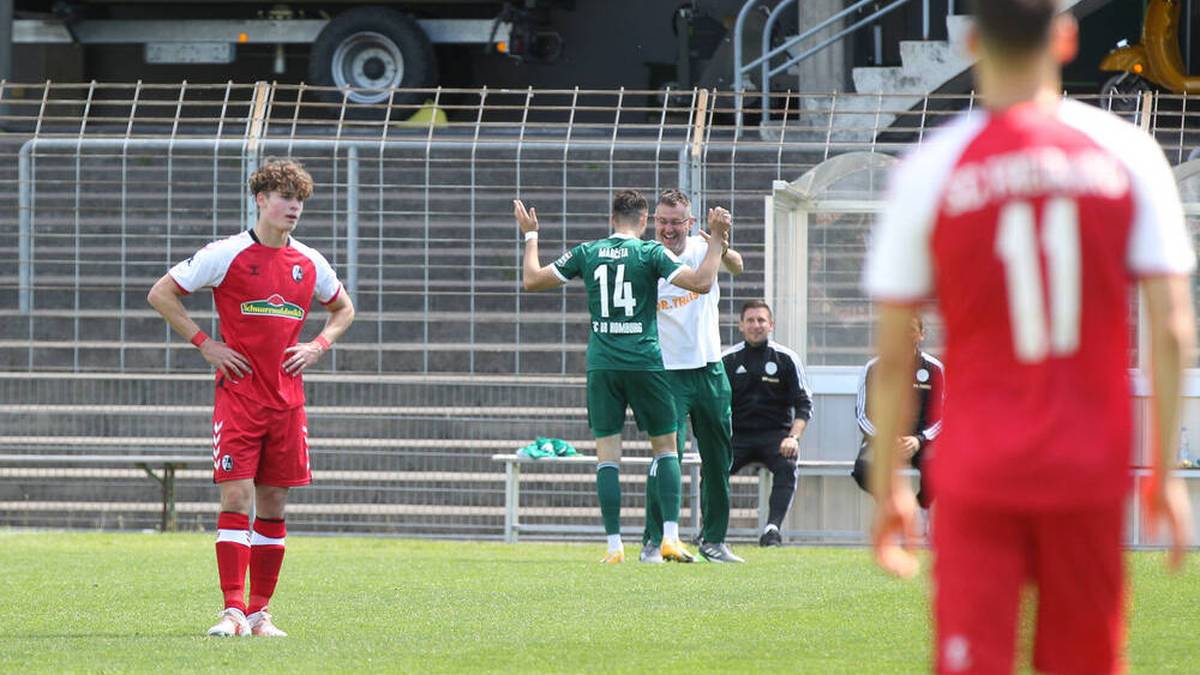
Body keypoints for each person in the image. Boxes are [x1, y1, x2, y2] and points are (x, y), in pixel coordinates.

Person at [864, 1, 1195, 672]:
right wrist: (1164, 470)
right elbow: (1172, 328)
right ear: (1068, 37)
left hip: (979, 464)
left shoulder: (931, 167)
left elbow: (895, 351)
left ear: (973, 40)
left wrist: (890, 482)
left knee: (973, 659)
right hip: (1088, 462)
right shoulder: (1127, 154)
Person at [147, 159, 355, 637]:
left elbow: (344, 309)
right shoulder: (226, 254)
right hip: (239, 398)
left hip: (287, 401)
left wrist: (318, 345)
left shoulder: (309, 261)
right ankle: (232, 610)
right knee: (237, 494)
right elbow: (162, 293)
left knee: (275, 502)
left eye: (299, 198)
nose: (293, 206)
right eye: (284, 197)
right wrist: (207, 344)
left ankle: (261, 614)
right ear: (260, 200)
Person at [515, 190, 730, 564]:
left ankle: (615, 547)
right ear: (645, 221)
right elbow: (702, 282)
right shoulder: (649, 253)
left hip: (603, 364)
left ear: (611, 219)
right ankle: (669, 538)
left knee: (607, 458)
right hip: (646, 361)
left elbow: (532, 280)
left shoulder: (587, 251)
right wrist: (714, 239)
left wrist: (531, 235)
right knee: (665, 450)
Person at [640, 189, 745, 564]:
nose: (668, 229)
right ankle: (653, 541)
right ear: (654, 221)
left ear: (690, 222)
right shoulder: (646, 258)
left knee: (718, 459)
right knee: (667, 458)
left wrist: (721, 240)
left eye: (676, 221)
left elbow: (736, 265)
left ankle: (713, 539)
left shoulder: (704, 248)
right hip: (667, 373)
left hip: (710, 368)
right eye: (662, 221)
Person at [722, 300, 812, 547]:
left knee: (787, 463)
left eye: (761, 320)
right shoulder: (727, 360)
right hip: (737, 436)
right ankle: (712, 531)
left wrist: (792, 437)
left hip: (776, 435)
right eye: (750, 320)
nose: (756, 325)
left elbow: (804, 404)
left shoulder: (786, 359)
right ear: (741, 325)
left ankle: (772, 529)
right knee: (714, 466)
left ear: (771, 325)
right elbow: (715, 405)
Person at [851, 315, 943, 510]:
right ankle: (894, 508)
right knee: (862, 469)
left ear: (921, 335)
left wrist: (919, 440)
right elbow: (862, 414)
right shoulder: (874, 368)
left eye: (910, 329)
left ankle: (917, 511)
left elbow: (944, 416)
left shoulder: (935, 369)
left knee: (941, 469)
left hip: (921, 441)